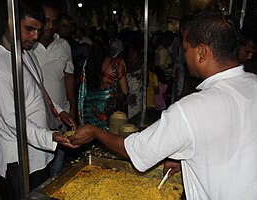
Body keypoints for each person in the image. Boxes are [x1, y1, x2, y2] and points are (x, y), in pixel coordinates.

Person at [69, 10, 257, 200]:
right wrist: (186, 161)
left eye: (185, 49)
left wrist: (95, 132)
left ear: (201, 52)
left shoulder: (190, 109)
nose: (184, 56)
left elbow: (137, 150)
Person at [0, 1, 75, 199]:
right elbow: (13, 120)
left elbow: (40, 92)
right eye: (29, 29)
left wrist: (59, 111)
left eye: (38, 30)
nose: (35, 36)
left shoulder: (27, 53)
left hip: (37, 152)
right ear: (10, 23)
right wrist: (50, 137)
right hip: (15, 156)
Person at [33, 1, 76, 176]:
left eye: (54, 21)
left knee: (57, 164)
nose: (50, 26)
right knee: (39, 166)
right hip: (37, 119)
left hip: (62, 115)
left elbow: (69, 77)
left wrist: (73, 109)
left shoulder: (63, 45)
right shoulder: (27, 48)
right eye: (46, 20)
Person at [78, 28, 129, 131]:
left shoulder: (87, 63)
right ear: (108, 44)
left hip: (90, 110)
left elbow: (83, 88)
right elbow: (125, 91)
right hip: (109, 112)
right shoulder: (117, 63)